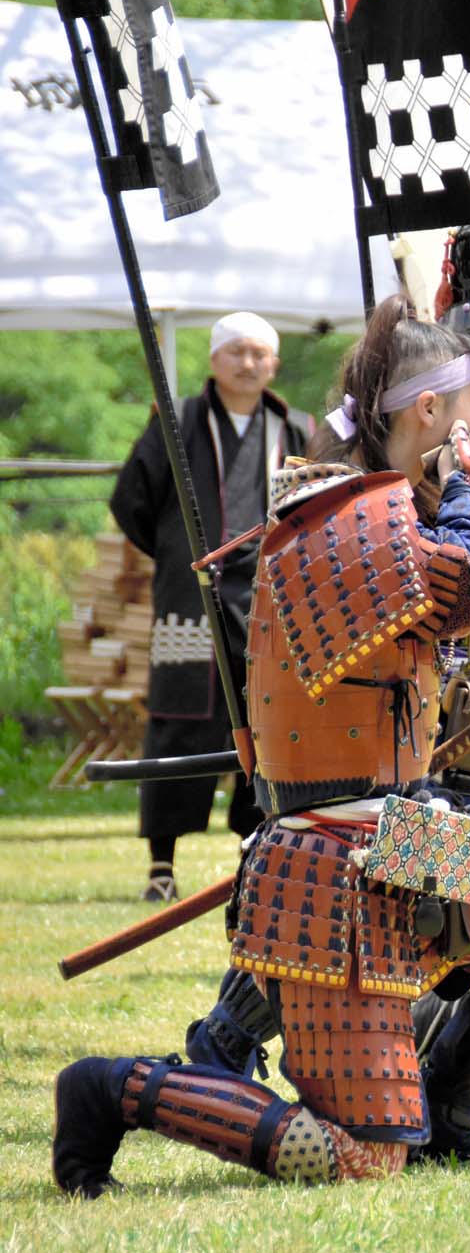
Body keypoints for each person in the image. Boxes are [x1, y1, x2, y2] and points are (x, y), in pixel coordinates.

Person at [51, 297, 470, 1196]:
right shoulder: (346, 518)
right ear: (429, 414)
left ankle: (446, 1118)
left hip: (398, 839)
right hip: (328, 865)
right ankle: (112, 1088)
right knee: (356, 1156)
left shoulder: (403, 511)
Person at [108, 311, 313, 902]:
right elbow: (133, 502)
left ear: (273, 363)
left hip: (268, 603)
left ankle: (257, 856)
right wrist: (178, 551)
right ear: (214, 360)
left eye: (259, 354)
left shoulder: (294, 429)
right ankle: (161, 865)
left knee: (266, 721)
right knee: (179, 722)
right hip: (191, 599)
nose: (248, 364)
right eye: (236, 352)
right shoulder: (176, 426)